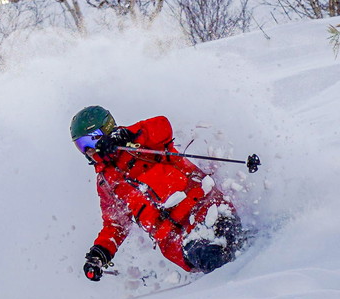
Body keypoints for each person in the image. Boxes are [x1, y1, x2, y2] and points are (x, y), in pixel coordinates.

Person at [70, 105, 242, 281]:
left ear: (105, 131)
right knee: (212, 259)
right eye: (80, 146)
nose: (87, 150)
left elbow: (162, 126)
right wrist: (99, 254)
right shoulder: (106, 183)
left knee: (235, 244)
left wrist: (126, 136)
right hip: (178, 241)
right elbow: (115, 225)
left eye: (88, 142)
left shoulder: (138, 143)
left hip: (207, 209)